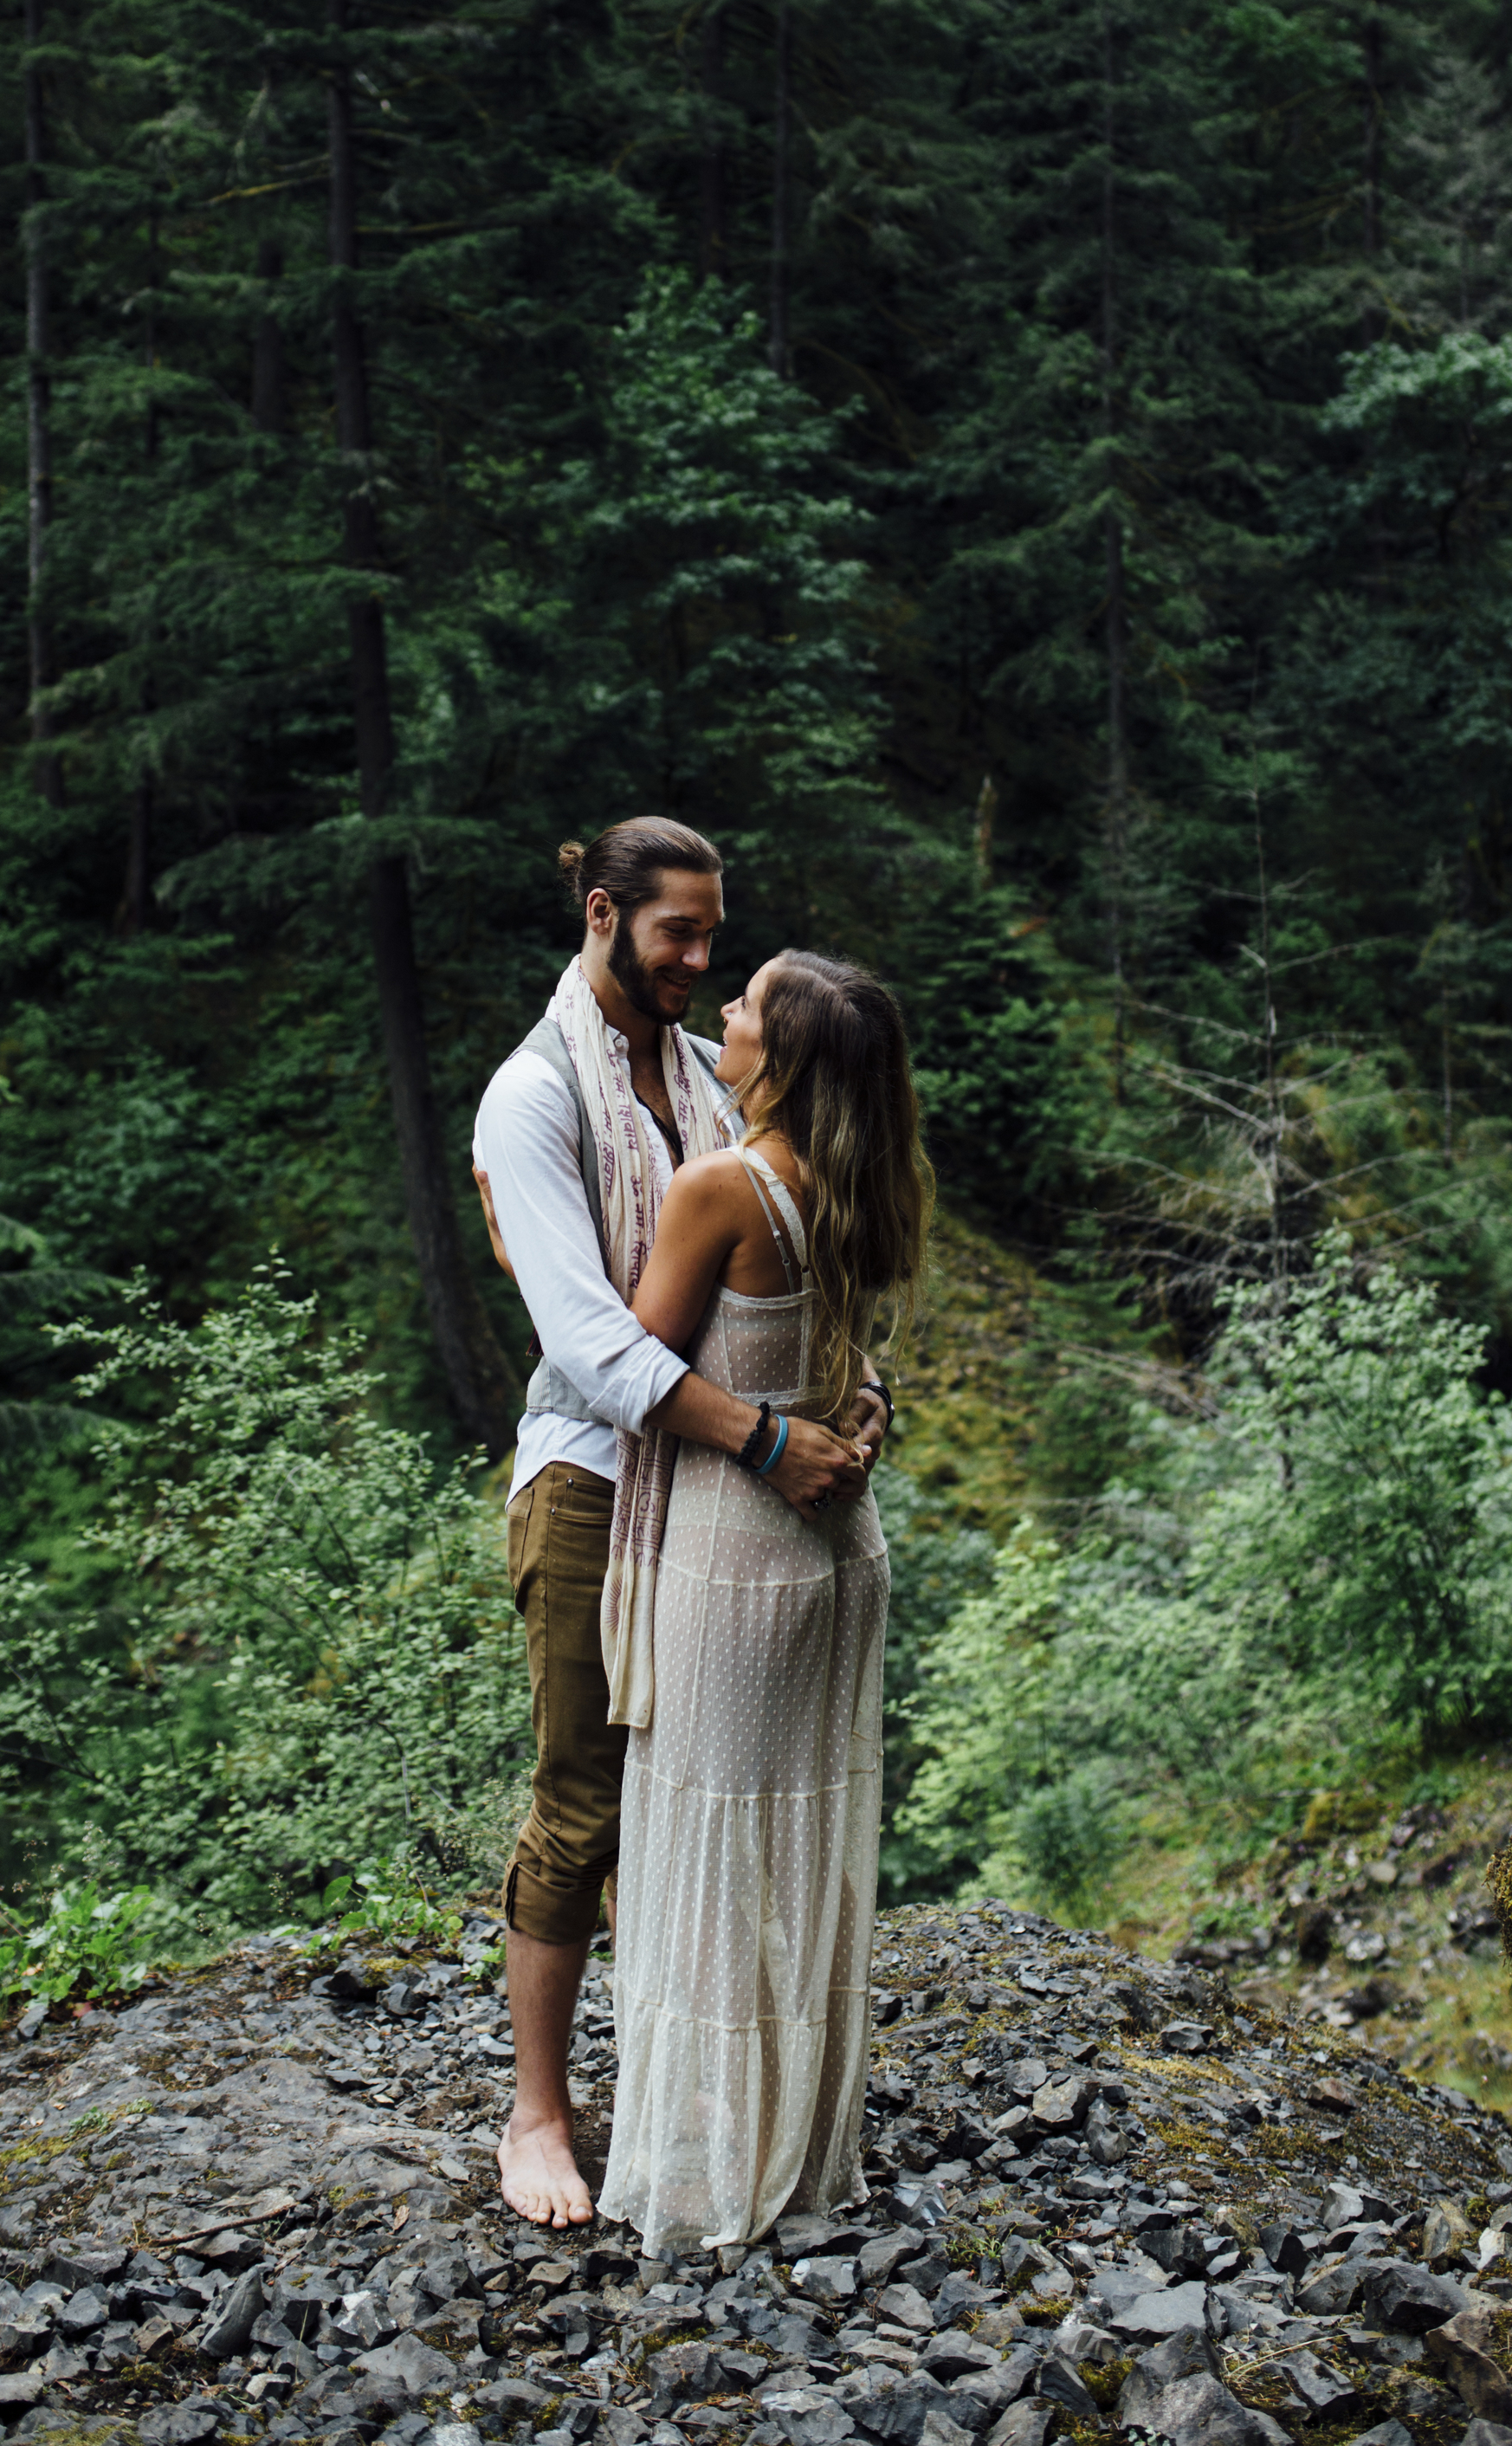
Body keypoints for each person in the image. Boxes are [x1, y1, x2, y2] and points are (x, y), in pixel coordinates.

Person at [473, 818, 893, 2231]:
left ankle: (691, 2084)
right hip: (599, 1474)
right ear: (604, 914)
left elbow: (799, 1242)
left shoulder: (713, 1076)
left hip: (717, 1494)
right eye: (679, 935)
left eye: (718, 938)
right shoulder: (530, 1099)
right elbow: (591, 1342)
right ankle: (538, 2113)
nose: (701, 960)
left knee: (690, 1794)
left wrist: (851, 1393)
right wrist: (770, 1435)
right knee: (587, 1795)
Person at [597, 948, 929, 2254]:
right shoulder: (866, 1181)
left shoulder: (720, 1186)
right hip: (844, 1550)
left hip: (740, 1552)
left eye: (743, 1007)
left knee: (716, 1844)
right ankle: (796, 2147)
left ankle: (711, 2169)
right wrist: (866, 1409)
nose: (721, 1014)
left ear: (778, 1060)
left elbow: (638, 1357)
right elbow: (852, 1364)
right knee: (804, 1841)